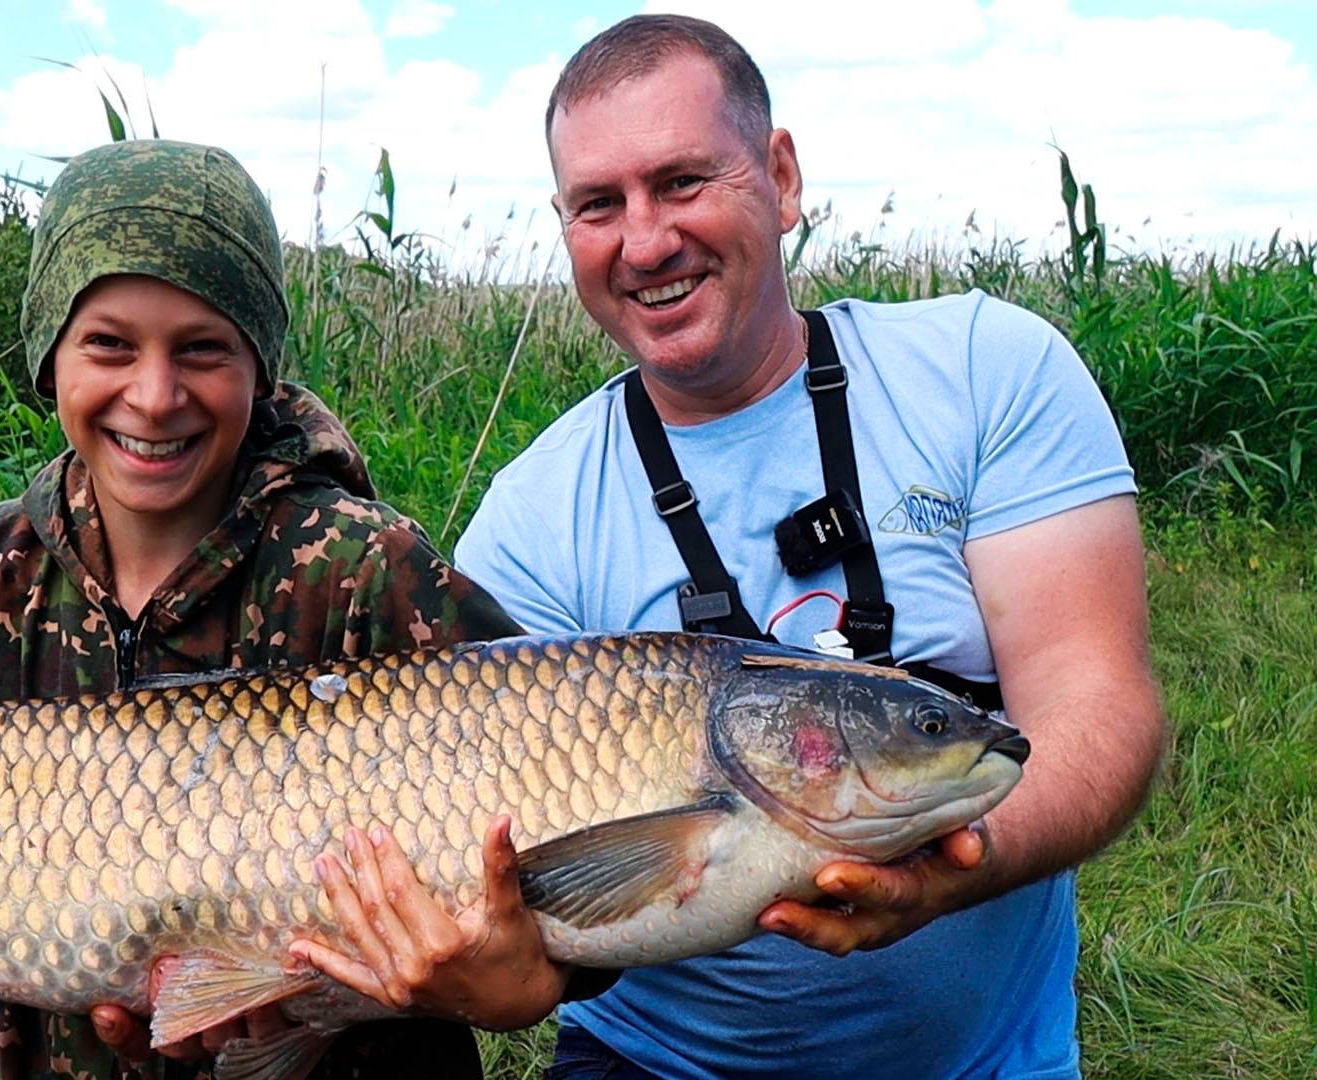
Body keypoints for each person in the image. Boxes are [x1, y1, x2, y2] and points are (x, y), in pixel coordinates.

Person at [288, 14, 1166, 1080]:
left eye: (685, 181)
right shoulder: (530, 521)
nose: (647, 240)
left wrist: (951, 873)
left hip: (989, 1060)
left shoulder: (988, 370)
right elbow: (518, 915)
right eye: (599, 204)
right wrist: (495, 977)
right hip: (650, 1062)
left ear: (782, 177)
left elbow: (1097, 704)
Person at [0, 137, 522, 1080]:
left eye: (202, 350)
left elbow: (552, 878)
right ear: (49, 356)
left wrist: (497, 974)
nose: (154, 396)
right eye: (108, 344)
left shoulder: (369, 571)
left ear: (259, 367)